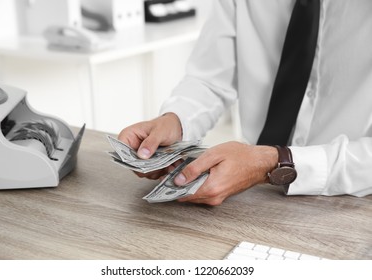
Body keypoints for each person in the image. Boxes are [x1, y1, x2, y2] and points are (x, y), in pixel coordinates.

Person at [118, 0, 372, 205]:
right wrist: (176, 120)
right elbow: (210, 78)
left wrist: (271, 163)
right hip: (254, 197)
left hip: (353, 199)